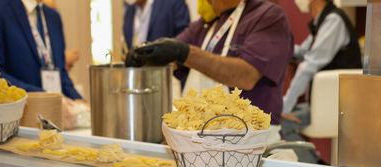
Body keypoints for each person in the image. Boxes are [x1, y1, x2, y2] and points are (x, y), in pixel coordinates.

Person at [126, 0, 294, 143]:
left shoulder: (268, 17)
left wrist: (186, 53)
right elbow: (171, 56)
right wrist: (149, 55)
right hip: (198, 143)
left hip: (252, 143)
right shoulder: (205, 24)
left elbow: (247, 76)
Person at [281, 0, 362, 163]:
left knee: (281, 121)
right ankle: (316, 165)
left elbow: (309, 65)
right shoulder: (323, 22)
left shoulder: (333, 21)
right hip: (324, 103)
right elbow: (303, 52)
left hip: (341, 106)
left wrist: (285, 106)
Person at [0, 0, 86, 129]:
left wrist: (78, 100)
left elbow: (61, 72)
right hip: (20, 123)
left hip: (60, 120)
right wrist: (46, 97)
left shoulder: (53, 16)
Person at [123, 0, 190, 49]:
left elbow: (185, 40)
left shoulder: (174, 2)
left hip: (167, 66)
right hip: (137, 67)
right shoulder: (129, 11)